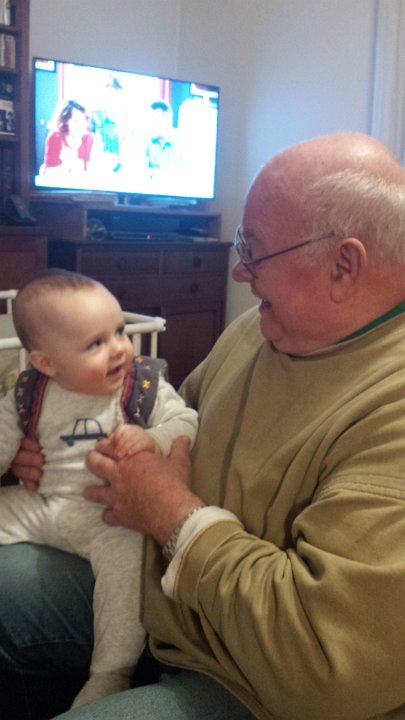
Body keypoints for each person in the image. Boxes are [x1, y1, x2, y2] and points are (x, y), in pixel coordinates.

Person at [3, 131, 405, 720]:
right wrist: (43, 447)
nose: (239, 272)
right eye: (241, 243)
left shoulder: (390, 409)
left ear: (343, 266)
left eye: (255, 251)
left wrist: (174, 516)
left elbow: (328, 666)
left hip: (250, 680)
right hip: (155, 592)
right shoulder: (257, 331)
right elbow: (167, 421)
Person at [0, 269, 198, 710]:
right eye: (96, 343)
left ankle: (111, 672)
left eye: (120, 331)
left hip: (110, 521)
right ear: (46, 363)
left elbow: (187, 421)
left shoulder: (141, 388)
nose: (120, 348)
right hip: (45, 505)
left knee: (127, 576)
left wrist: (153, 438)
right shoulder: (28, 392)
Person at [42, 100, 93, 174]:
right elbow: (47, 171)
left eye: (84, 120)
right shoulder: (55, 137)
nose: (81, 125)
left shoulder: (88, 138)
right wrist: (66, 167)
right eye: (76, 121)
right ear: (66, 121)